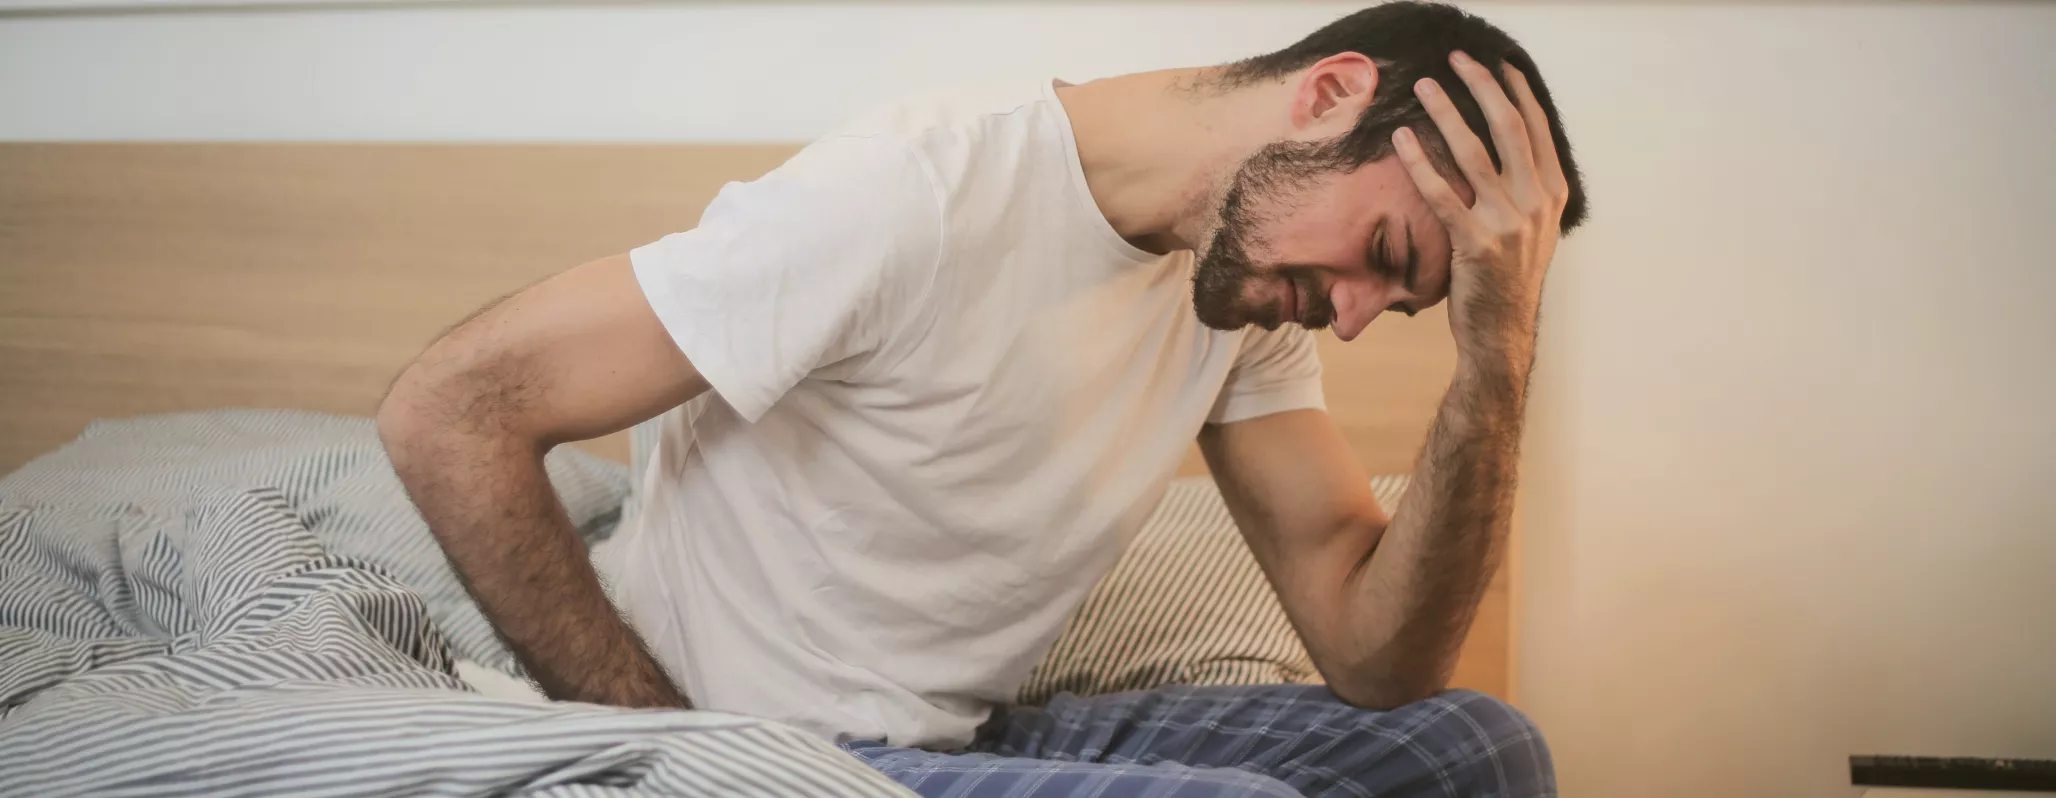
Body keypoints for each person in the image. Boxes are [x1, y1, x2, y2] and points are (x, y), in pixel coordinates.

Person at [377, 2, 1588, 795]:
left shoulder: (1237, 296)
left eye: (1407, 303)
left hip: (950, 746)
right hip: (762, 748)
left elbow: (1374, 658)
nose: (1356, 315)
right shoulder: (916, 192)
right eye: (1382, 252)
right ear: (1327, 94)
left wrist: (1497, 356)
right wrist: (676, 743)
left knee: (1473, 748)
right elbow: (453, 407)